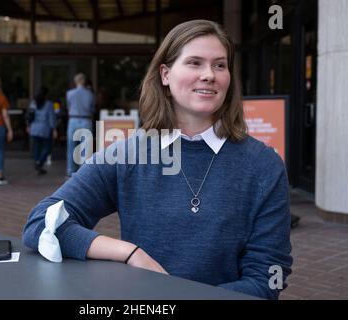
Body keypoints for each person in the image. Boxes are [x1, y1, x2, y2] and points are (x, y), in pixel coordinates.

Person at [23, 20, 292, 299]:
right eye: (195, 63)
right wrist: (129, 253)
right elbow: (41, 224)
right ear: (165, 74)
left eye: (219, 65)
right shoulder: (126, 155)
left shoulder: (263, 165)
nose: (209, 75)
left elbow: (267, 278)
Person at [66, 73, 95, 177]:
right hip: (86, 120)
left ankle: (71, 171)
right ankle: (84, 173)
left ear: (75, 81)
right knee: (86, 148)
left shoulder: (69, 93)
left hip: (73, 120)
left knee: (71, 147)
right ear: (84, 81)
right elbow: (92, 108)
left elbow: (68, 107)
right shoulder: (90, 94)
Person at [27, 86, 57, 175]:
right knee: (48, 147)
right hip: (44, 129)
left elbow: (30, 116)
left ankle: (37, 163)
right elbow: (51, 117)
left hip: (34, 128)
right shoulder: (49, 104)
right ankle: (40, 162)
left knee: (36, 147)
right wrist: (54, 129)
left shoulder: (33, 103)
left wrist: (28, 125)